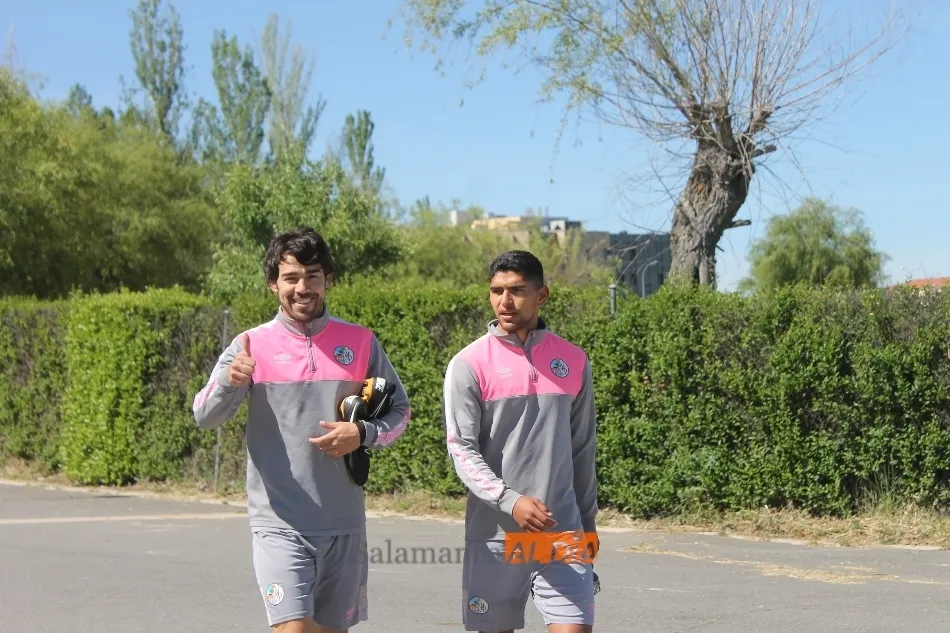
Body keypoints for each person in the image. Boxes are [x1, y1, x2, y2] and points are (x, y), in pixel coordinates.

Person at [192, 226, 411, 633]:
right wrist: (228, 382)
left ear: (328, 279)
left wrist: (362, 434)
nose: (302, 288)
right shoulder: (249, 345)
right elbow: (203, 414)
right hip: (278, 522)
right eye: (291, 277)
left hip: (343, 521)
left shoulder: (361, 341)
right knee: (292, 628)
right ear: (273, 284)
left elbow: (401, 412)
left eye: (312, 276)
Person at [442, 250, 599, 633]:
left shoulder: (573, 360)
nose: (505, 301)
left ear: (541, 295)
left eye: (516, 290)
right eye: (496, 291)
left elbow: (582, 449)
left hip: (562, 533)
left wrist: (588, 528)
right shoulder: (468, 364)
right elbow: (462, 449)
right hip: (496, 537)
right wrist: (510, 501)